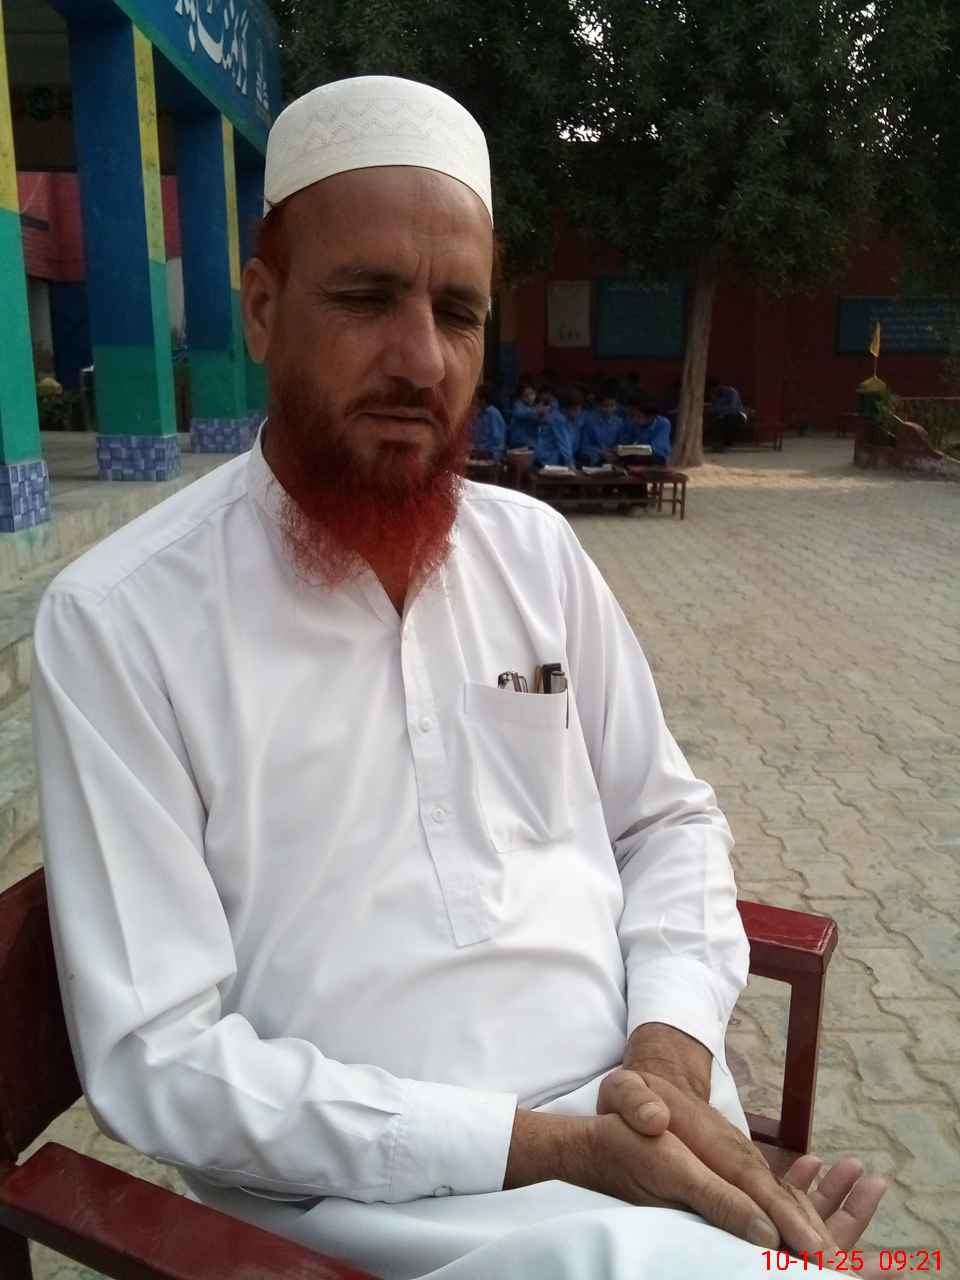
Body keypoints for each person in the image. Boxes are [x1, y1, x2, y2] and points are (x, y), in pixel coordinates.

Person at [32, 75, 887, 1280]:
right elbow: (162, 1059)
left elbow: (667, 822)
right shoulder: (123, 620)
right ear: (264, 310)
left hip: (641, 1135)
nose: (421, 358)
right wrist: (554, 1149)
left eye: (459, 310)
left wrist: (668, 1055)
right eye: (367, 298)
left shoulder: (534, 550)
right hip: (366, 1214)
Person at [578, 385, 626, 466]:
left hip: (613, 459)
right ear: (598, 405)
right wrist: (601, 453)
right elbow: (584, 446)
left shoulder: (619, 422)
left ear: (617, 405)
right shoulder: (589, 421)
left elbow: (621, 443)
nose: (609, 409)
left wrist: (616, 449)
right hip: (593, 460)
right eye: (605, 406)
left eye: (612, 406)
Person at [532, 390, 576, 469]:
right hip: (545, 460)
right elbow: (563, 443)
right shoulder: (554, 419)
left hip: (548, 460)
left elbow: (565, 443)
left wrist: (570, 463)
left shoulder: (557, 417)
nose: (579, 412)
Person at [622, 397, 672, 467]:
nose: (635, 419)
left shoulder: (663, 423)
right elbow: (627, 441)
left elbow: (654, 450)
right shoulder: (634, 423)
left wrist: (629, 449)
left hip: (656, 458)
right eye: (635, 415)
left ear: (651, 418)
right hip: (637, 455)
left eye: (639, 416)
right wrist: (619, 449)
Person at [706, 380, 747, 452]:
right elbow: (714, 409)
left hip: (738, 415)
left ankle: (727, 444)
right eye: (712, 391)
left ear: (718, 387)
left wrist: (721, 413)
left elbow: (733, 408)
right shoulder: (716, 396)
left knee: (728, 419)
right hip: (724, 416)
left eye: (714, 390)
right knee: (715, 420)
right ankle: (717, 444)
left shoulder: (731, 392)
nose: (713, 392)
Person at [469, 382, 506, 461]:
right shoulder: (479, 414)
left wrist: (480, 449)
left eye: (476, 397)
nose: (474, 400)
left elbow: (497, 441)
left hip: (491, 454)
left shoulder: (493, 414)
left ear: (483, 400)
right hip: (480, 453)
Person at [507, 378, 538, 448]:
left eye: (531, 393)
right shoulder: (518, 404)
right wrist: (537, 411)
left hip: (531, 443)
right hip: (519, 443)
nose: (529, 397)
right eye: (526, 395)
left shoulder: (534, 407)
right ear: (521, 396)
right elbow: (520, 413)